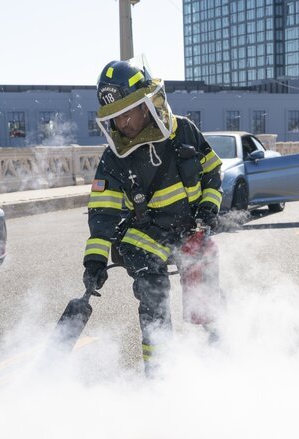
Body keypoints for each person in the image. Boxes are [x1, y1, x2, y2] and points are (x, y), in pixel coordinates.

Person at [83, 59, 223, 375]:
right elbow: (102, 213)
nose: (122, 123)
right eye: (115, 117)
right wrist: (94, 262)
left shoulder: (183, 131)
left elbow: (213, 171)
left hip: (190, 228)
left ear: (147, 105)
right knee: (153, 297)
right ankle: (158, 373)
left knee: (205, 301)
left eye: (127, 113)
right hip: (145, 236)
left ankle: (222, 352)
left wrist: (208, 209)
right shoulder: (113, 159)